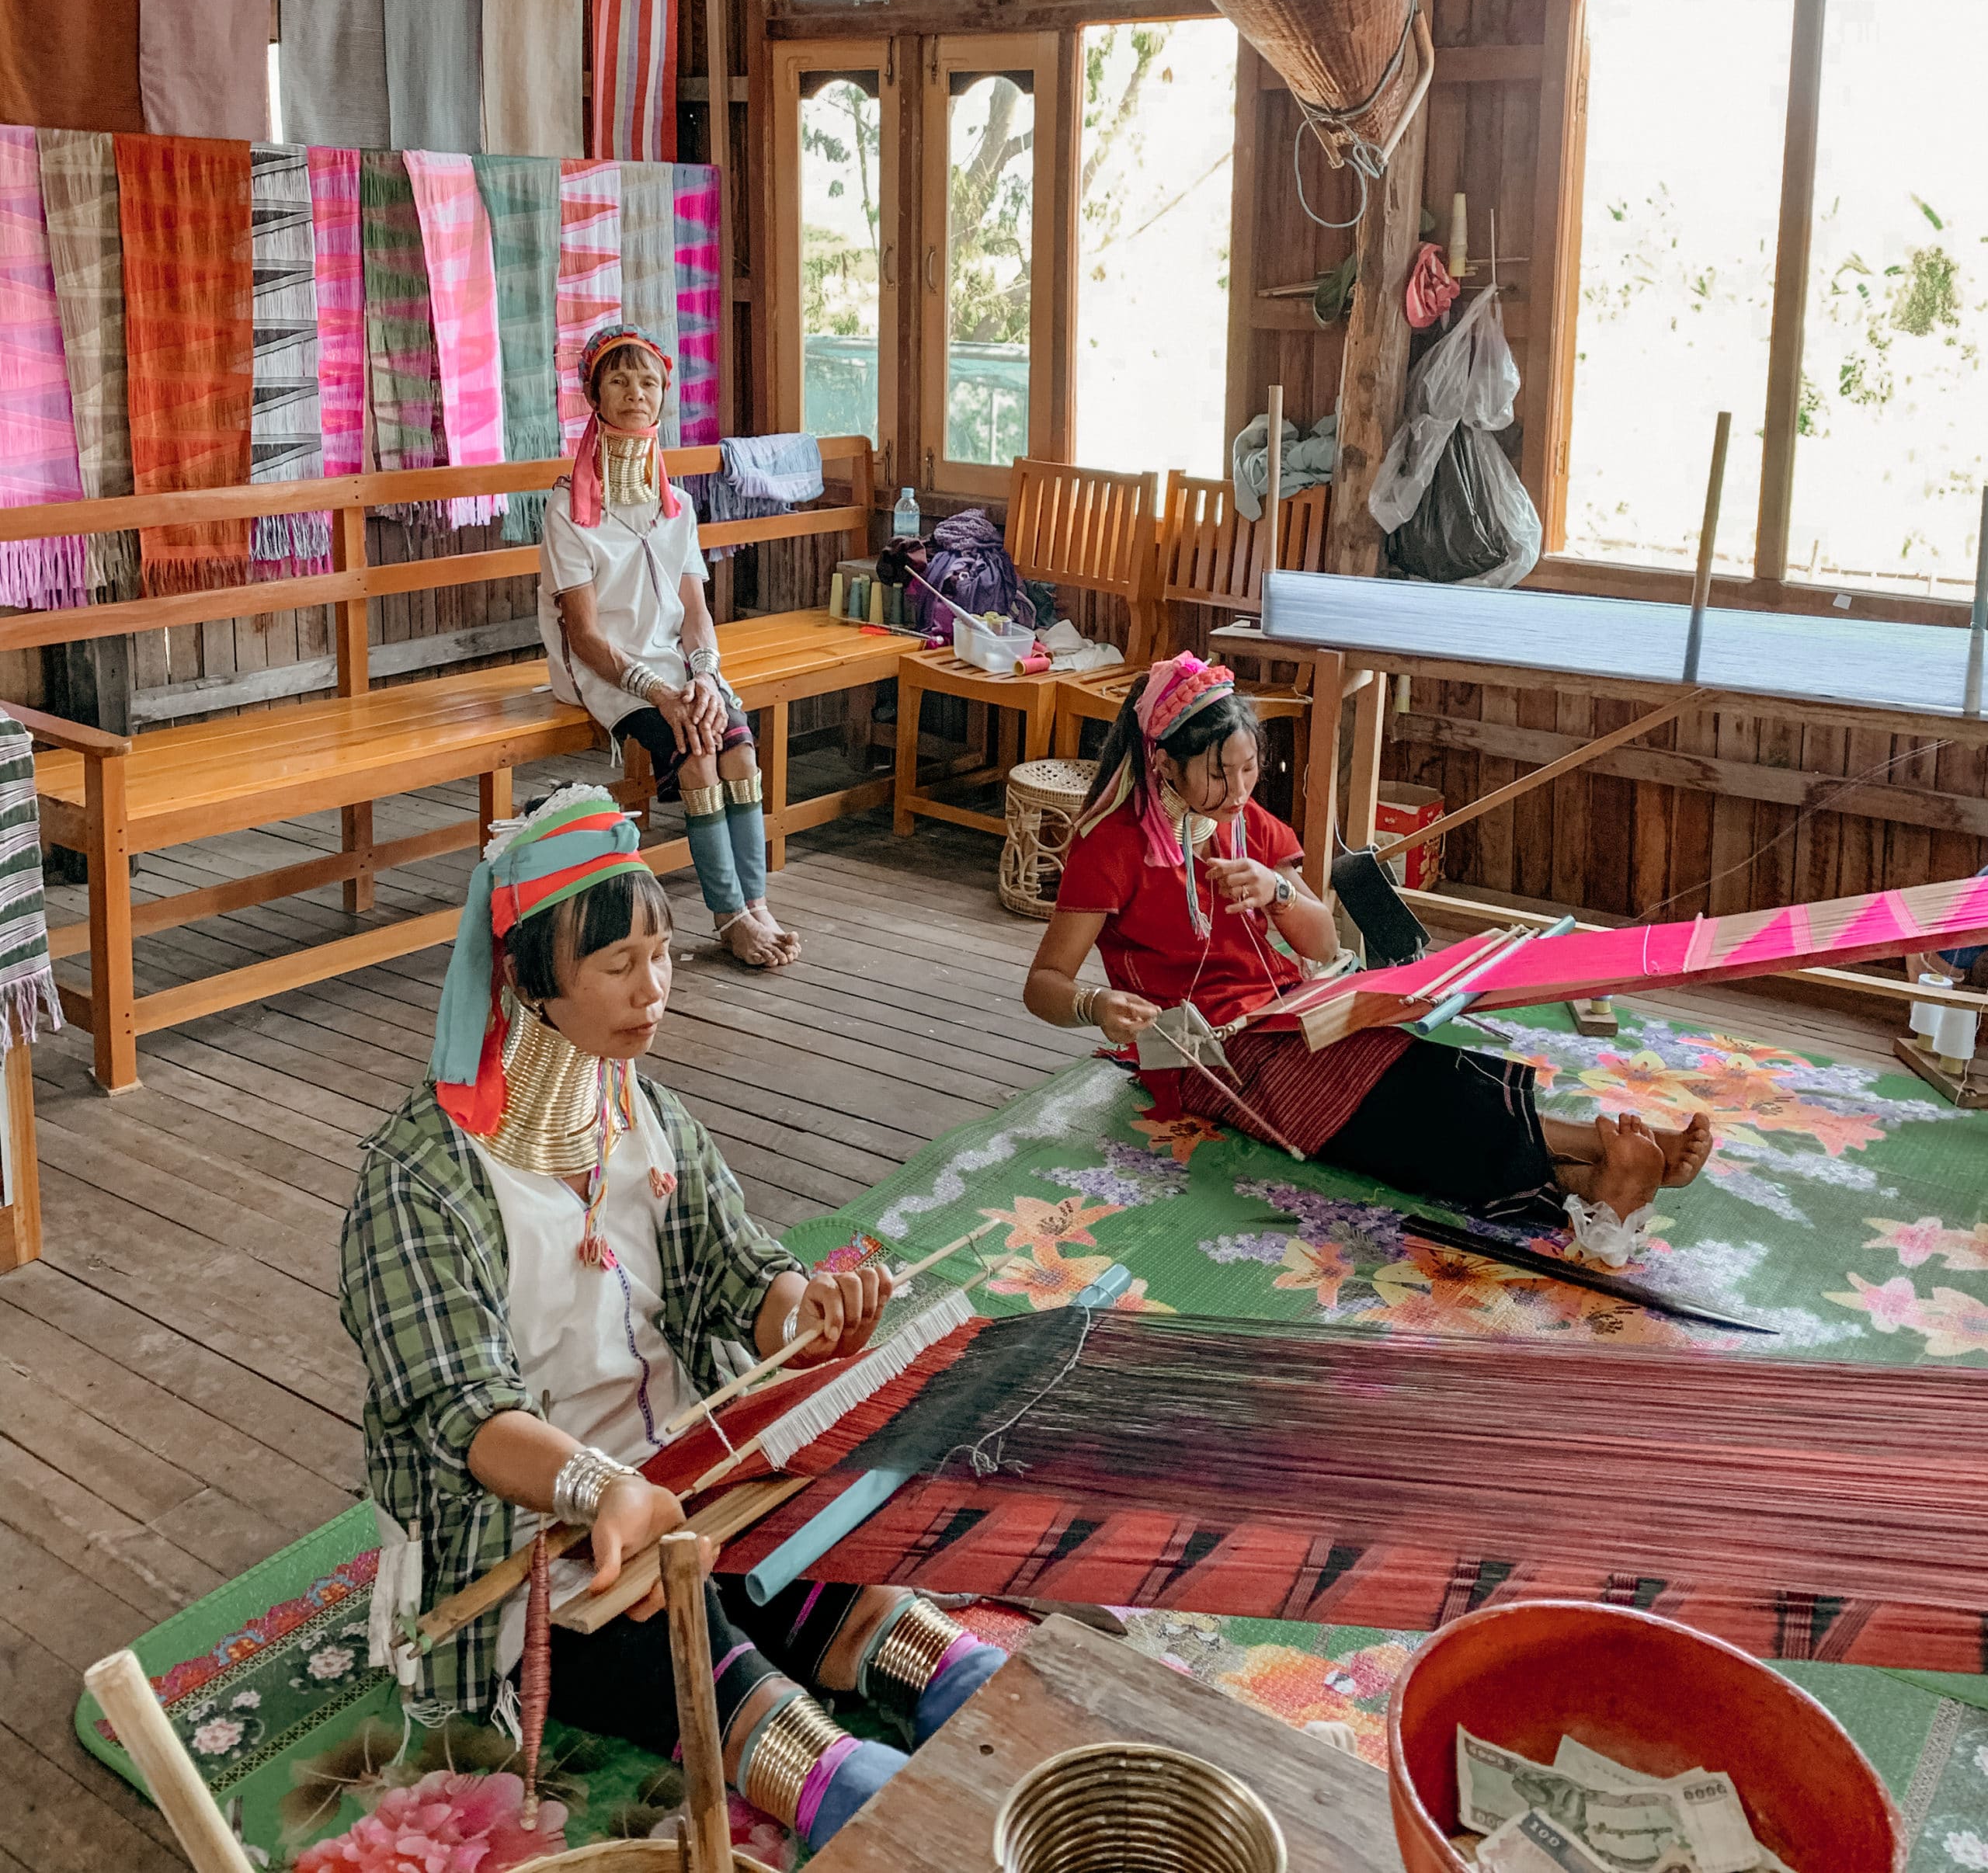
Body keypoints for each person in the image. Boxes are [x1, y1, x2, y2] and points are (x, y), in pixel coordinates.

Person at [339, 787, 1002, 1848]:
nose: (654, 991)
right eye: (618, 966)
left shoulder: (642, 1111)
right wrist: (603, 1488)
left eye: (664, 956)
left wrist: (810, 1314)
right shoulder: (420, 1182)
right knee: (672, 1617)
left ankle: (913, 1654)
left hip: (689, 1471)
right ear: (533, 982)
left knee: (813, 1554)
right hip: (531, 1536)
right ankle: (806, 1761)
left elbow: (740, 1273)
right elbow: (460, 1411)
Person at [1024, 655, 1712, 1242]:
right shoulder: (1111, 844)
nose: (1236, 792)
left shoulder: (1249, 824)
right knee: (1384, 1110)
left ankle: (1602, 1172)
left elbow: (1323, 941)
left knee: (1412, 1065)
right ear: (1162, 761)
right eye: (1217, 775)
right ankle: (1606, 1162)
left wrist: (1278, 891)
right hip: (1206, 1052)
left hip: (1292, 1011)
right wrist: (1094, 1002)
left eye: (1248, 770)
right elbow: (1045, 982)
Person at [539, 323, 798, 971]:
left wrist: (705, 680)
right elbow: (586, 635)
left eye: (647, 381)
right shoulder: (568, 510)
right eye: (619, 380)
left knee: (735, 743)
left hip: (680, 673)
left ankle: (755, 900)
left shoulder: (677, 504)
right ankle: (729, 915)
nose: (635, 393)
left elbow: (695, 613)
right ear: (594, 396)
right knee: (698, 753)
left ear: (663, 397)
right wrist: (660, 691)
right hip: (609, 676)